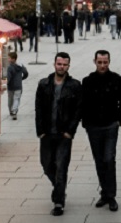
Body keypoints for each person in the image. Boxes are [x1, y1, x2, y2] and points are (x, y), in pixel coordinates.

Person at [35, 52, 82, 217]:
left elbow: (78, 110)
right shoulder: (44, 84)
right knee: (47, 164)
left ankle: (58, 202)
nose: (61, 67)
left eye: (65, 65)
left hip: (64, 135)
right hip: (47, 133)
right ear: (54, 64)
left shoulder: (75, 85)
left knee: (61, 167)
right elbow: (38, 108)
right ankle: (59, 187)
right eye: (59, 64)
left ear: (69, 66)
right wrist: (40, 131)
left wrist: (71, 131)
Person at [81, 50, 121, 212]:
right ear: (95, 62)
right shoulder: (87, 81)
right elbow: (83, 103)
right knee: (99, 160)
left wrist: (120, 119)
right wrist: (85, 122)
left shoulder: (117, 80)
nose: (102, 65)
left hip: (110, 125)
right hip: (93, 126)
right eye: (99, 62)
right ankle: (105, 193)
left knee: (109, 158)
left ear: (109, 62)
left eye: (105, 62)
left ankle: (111, 195)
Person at [5, 51, 29, 120]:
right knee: (17, 99)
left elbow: (8, 78)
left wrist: (6, 84)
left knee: (10, 100)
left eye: (9, 58)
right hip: (19, 86)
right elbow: (26, 73)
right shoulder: (21, 66)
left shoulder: (10, 67)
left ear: (13, 59)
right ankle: (14, 111)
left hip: (11, 87)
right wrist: (22, 78)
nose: (8, 59)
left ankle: (11, 111)